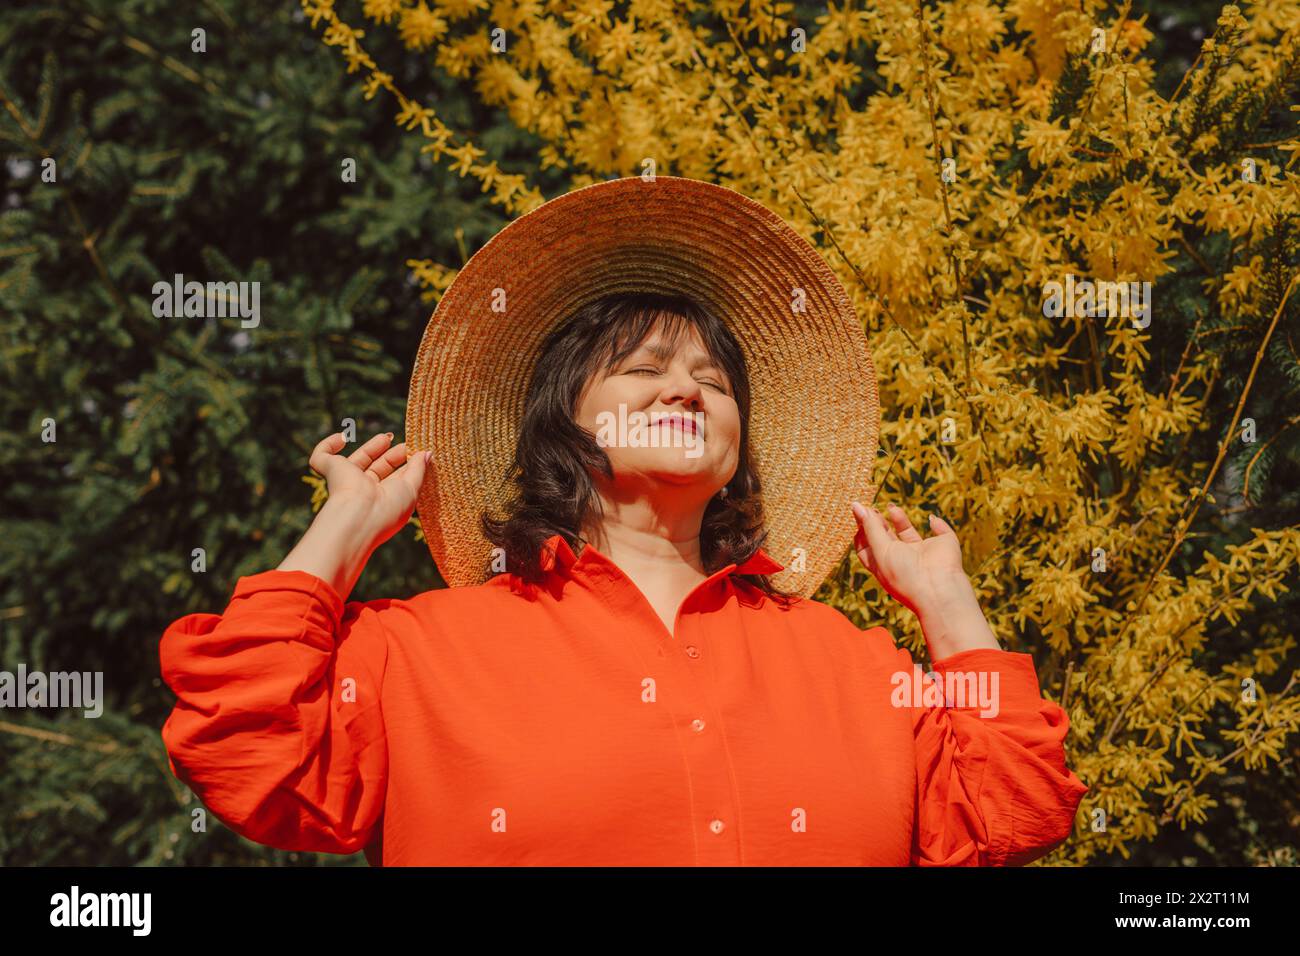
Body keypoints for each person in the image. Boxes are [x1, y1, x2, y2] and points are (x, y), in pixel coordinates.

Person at [158, 177, 1088, 866]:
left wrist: (947, 604)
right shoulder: (421, 654)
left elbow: (1015, 809)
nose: (686, 386)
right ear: (564, 416)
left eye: (715, 383)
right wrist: (346, 530)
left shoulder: (855, 663)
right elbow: (247, 746)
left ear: (738, 446)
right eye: (643, 370)